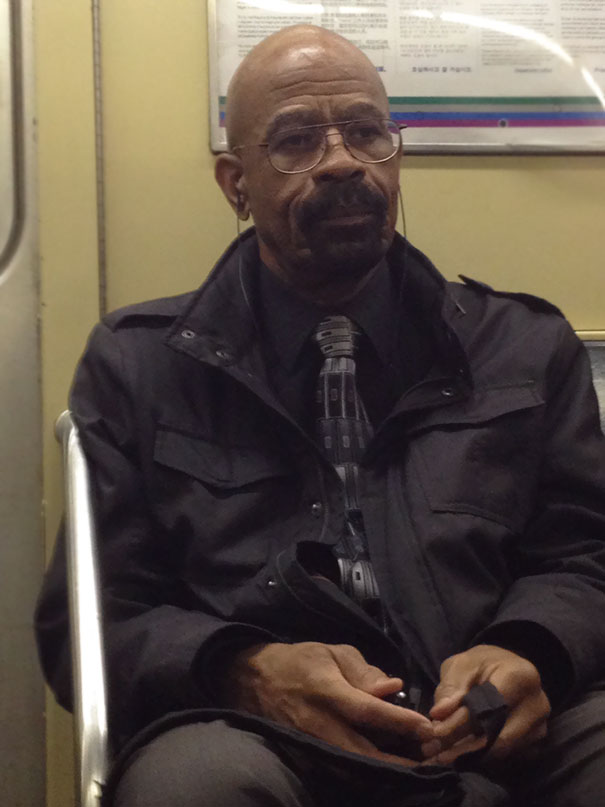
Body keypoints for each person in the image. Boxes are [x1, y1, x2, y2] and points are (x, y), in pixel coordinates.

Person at [36, 24, 605, 807]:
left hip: (491, 721)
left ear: (394, 157)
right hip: (253, 731)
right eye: (296, 140)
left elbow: (584, 555)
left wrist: (530, 648)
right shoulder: (141, 365)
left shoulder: (522, 347)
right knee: (192, 787)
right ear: (235, 184)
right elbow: (89, 622)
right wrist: (242, 669)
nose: (341, 161)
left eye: (365, 132)